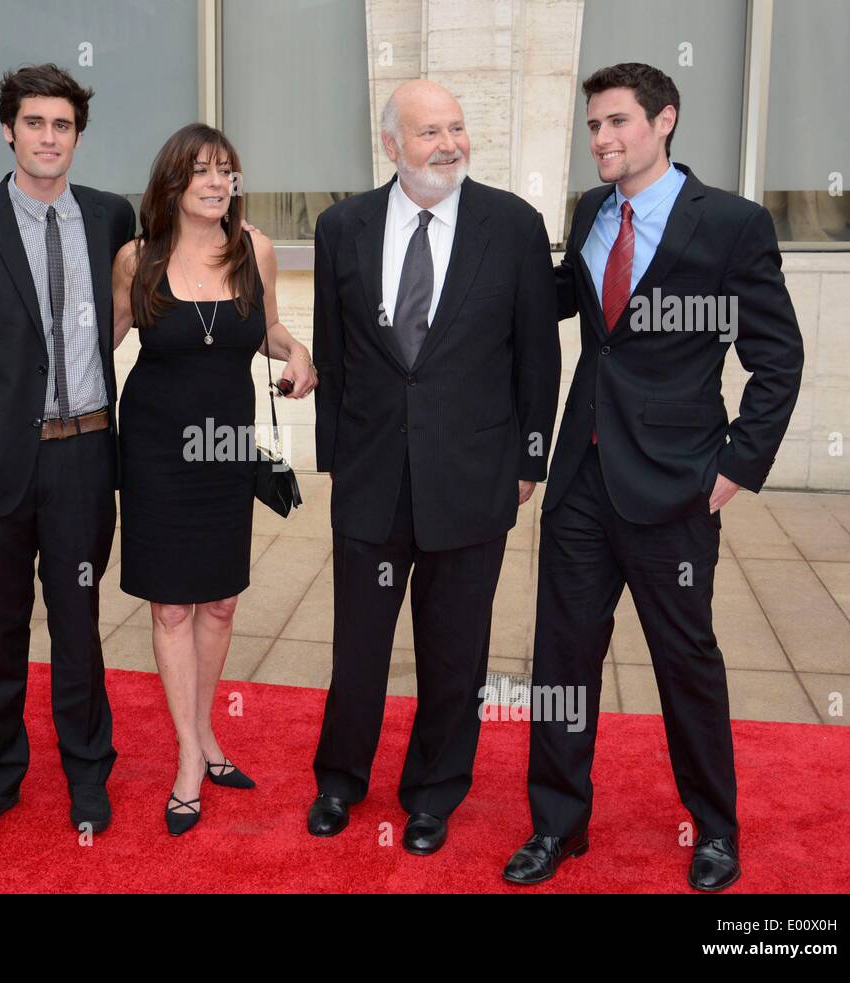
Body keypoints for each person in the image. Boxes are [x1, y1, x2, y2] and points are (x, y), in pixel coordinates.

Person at [502, 63, 803, 892]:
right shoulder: (589, 210)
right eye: (592, 125)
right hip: (580, 478)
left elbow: (777, 358)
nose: (599, 139)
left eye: (616, 123)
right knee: (561, 662)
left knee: (686, 660)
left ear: (664, 121)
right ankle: (557, 826)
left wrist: (737, 468)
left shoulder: (733, 225)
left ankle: (714, 829)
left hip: (675, 484)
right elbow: (569, 302)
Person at [308, 79, 560, 856]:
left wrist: (529, 456)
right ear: (391, 145)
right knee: (358, 645)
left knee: (456, 650)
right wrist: (336, 460)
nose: (448, 144)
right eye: (429, 132)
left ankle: (433, 790)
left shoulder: (513, 225)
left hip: (473, 477)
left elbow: (537, 352)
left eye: (456, 128)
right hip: (372, 478)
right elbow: (337, 352)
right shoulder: (341, 226)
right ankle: (340, 779)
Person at [0, 64, 135, 844]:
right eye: (35, 123)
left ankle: (88, 774)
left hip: (83, 454)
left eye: (63, 125)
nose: (49, 138)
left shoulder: (113, 218)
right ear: (7, 129)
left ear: (79, 135)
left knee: (78, 623)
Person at [111, 123, 316, 836]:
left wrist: (301, 351)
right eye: (200, 170)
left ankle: (203, 731)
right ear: (172, 180)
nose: (215, 181)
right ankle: (189, 758)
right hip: (155, 446)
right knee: (170, 606)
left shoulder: (254, 248)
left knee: (221, 602)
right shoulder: (137, 258)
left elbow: (262, 328)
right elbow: (99, 341)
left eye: (224, 170)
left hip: (227, 441)